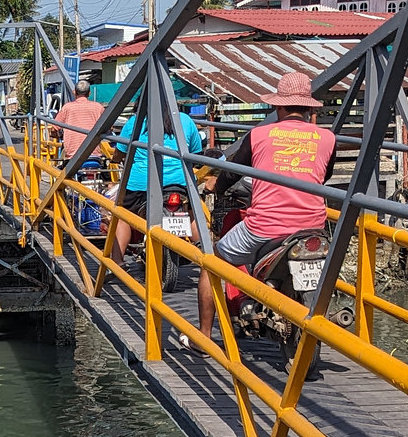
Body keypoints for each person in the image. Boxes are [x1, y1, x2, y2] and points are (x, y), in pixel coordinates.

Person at [197, 72, 335, 334]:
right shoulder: (327, 138)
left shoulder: (259, 134)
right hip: (313, 226)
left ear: (277, 105)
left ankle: (201, 337)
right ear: (308, 107)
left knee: (211, 262)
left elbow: (232, 172)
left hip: (264, 229)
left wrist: (217, 186)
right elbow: (324, 175)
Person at [105, 103, 205, 267]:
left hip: (142, 184)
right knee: (191, 213)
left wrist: (115, 159)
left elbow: (120, 152)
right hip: (180, 182)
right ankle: (206, 257)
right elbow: (195, 152)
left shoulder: (136, 122)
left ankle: (117, 261)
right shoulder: (185, 120)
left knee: (122, 215)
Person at [56, 80, 106, 163]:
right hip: (94, 153)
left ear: (74, 92)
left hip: (72, 155)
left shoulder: (67, 108)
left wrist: (56, 135)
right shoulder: (98, 107)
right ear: (89, 93)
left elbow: (55, 127)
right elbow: (109, 127)